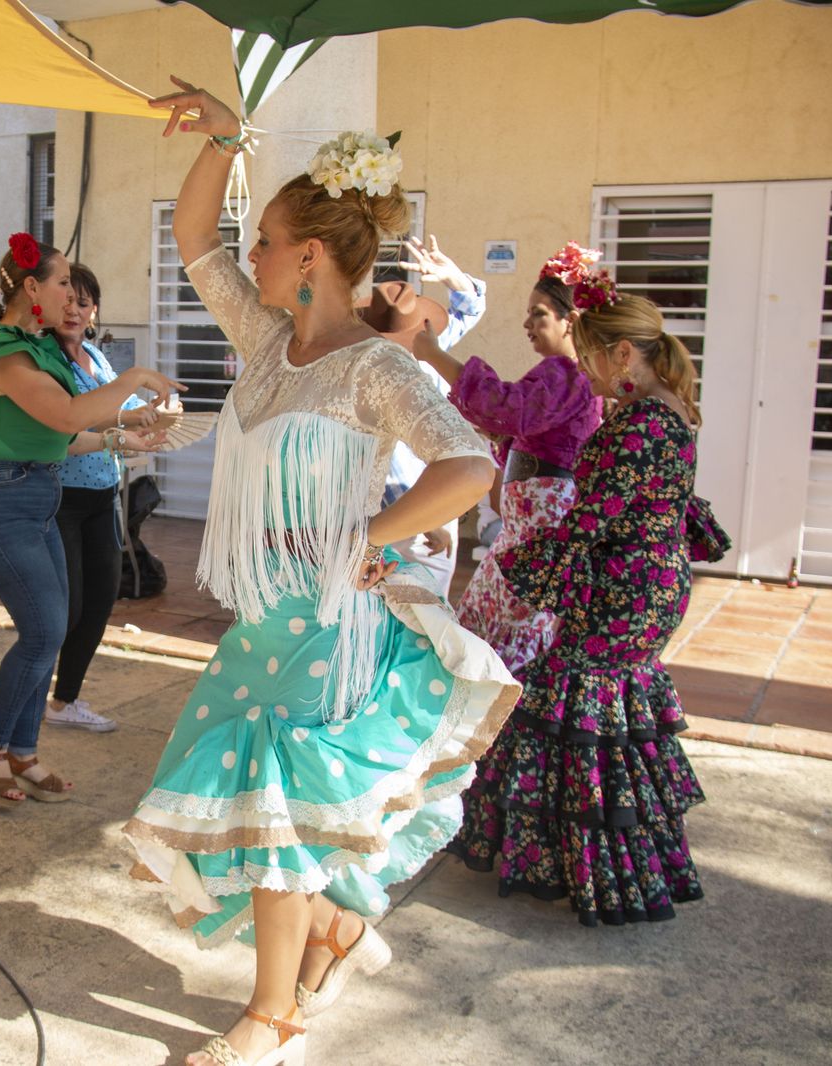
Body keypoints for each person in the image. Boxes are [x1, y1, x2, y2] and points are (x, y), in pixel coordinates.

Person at [123, 80, 519, 1066]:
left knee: (280, 812)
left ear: (307, 254)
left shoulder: (375, 368)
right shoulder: (267, 341)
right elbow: (192, 240)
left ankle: (273, 1019)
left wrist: (372, 539)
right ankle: (333, 937)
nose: (246, 256)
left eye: (263, 239)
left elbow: (470, 465)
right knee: (273, 810)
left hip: (330, 624)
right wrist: (224, 136)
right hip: (266, 619)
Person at [449, 288, 729, 926]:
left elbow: (591, 520)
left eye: (595, 357)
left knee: (578, 715)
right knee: (612, 719)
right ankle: (618, 863)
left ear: (624, 353)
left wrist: (527, 566)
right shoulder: (670, 412)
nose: (589, 371)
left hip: (621, 590)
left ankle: (606, 874)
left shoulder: (638, 423)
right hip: (651, 584)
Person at [0, 232, 179, 811]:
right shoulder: (5, 352)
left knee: (51, 628)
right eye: (61, 283)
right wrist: (133, 381)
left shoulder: (40, 351)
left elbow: (64, 434)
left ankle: (22, 752)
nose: (70, 297)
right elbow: (66, 411)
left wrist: (124, 434)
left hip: (35, 494)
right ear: (32, 288)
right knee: (45, 631)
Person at [410, 242, 606, 676]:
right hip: (523, 536)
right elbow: (512, 424)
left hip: (535, 540)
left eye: (539, 313)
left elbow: (507, 409)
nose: (527, 323)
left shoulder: (567, 374)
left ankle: (497, 719)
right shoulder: (565, 377)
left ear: (569, 321)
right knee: (488, 623)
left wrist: (433, 354)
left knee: (504, 635)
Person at [44, 262, 149, 734]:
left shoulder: (96, 357)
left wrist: (156, 416)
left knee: (101, 599)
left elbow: (123, 412)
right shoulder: (44, 359)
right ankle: (28, 693)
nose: (73, 311)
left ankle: (65, 700)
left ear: (94, 311)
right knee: (66, 605)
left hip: (103, 493)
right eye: (66, 301)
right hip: (60, 495)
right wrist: (122, 429)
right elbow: (68, 425)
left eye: (82, 304)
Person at [363, 236, 488, 599]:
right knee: (415, 611)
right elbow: (387, 458)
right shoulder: (391, 371)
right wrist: (427, 518)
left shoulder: (429, 351)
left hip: (423, 504)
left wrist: (453, 277)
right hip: (404, 511)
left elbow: (469, 308)